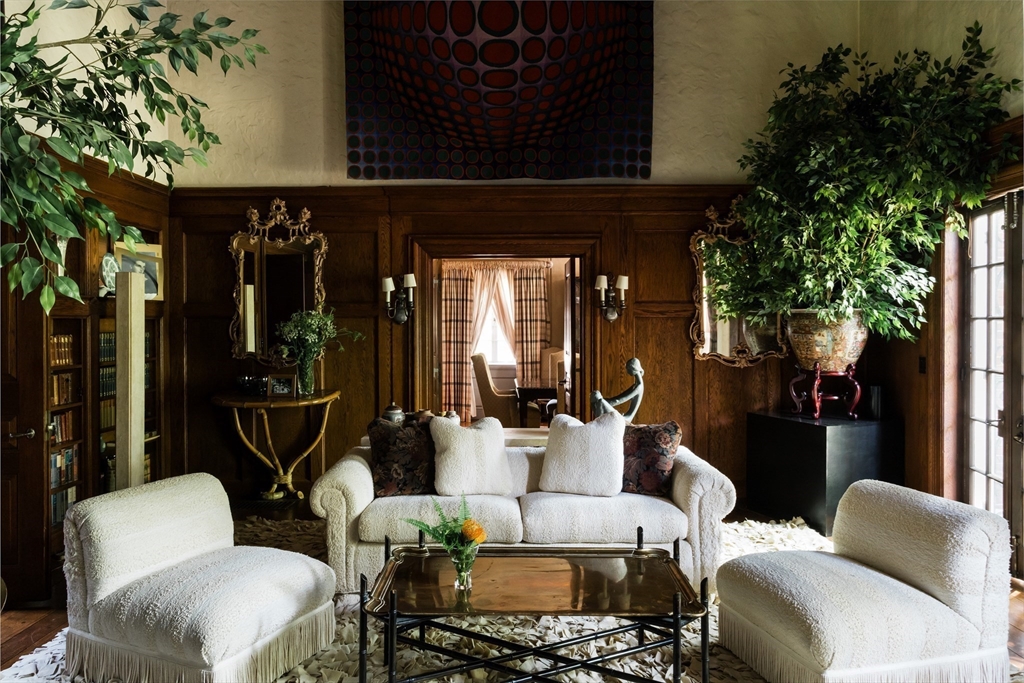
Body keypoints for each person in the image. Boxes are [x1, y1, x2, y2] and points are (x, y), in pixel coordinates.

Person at [590, 357, 644, 422]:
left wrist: (603, 401)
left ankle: (598, 425)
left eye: (628, 368)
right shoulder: (636, 385)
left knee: (600, 402)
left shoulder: (639, 387)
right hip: (623, 417)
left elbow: (618, 400)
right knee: (596, 397)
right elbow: (619, 397)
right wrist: (604, 401)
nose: (627, 371)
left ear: (633, 368)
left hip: (626, 419)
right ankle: (598, 423)